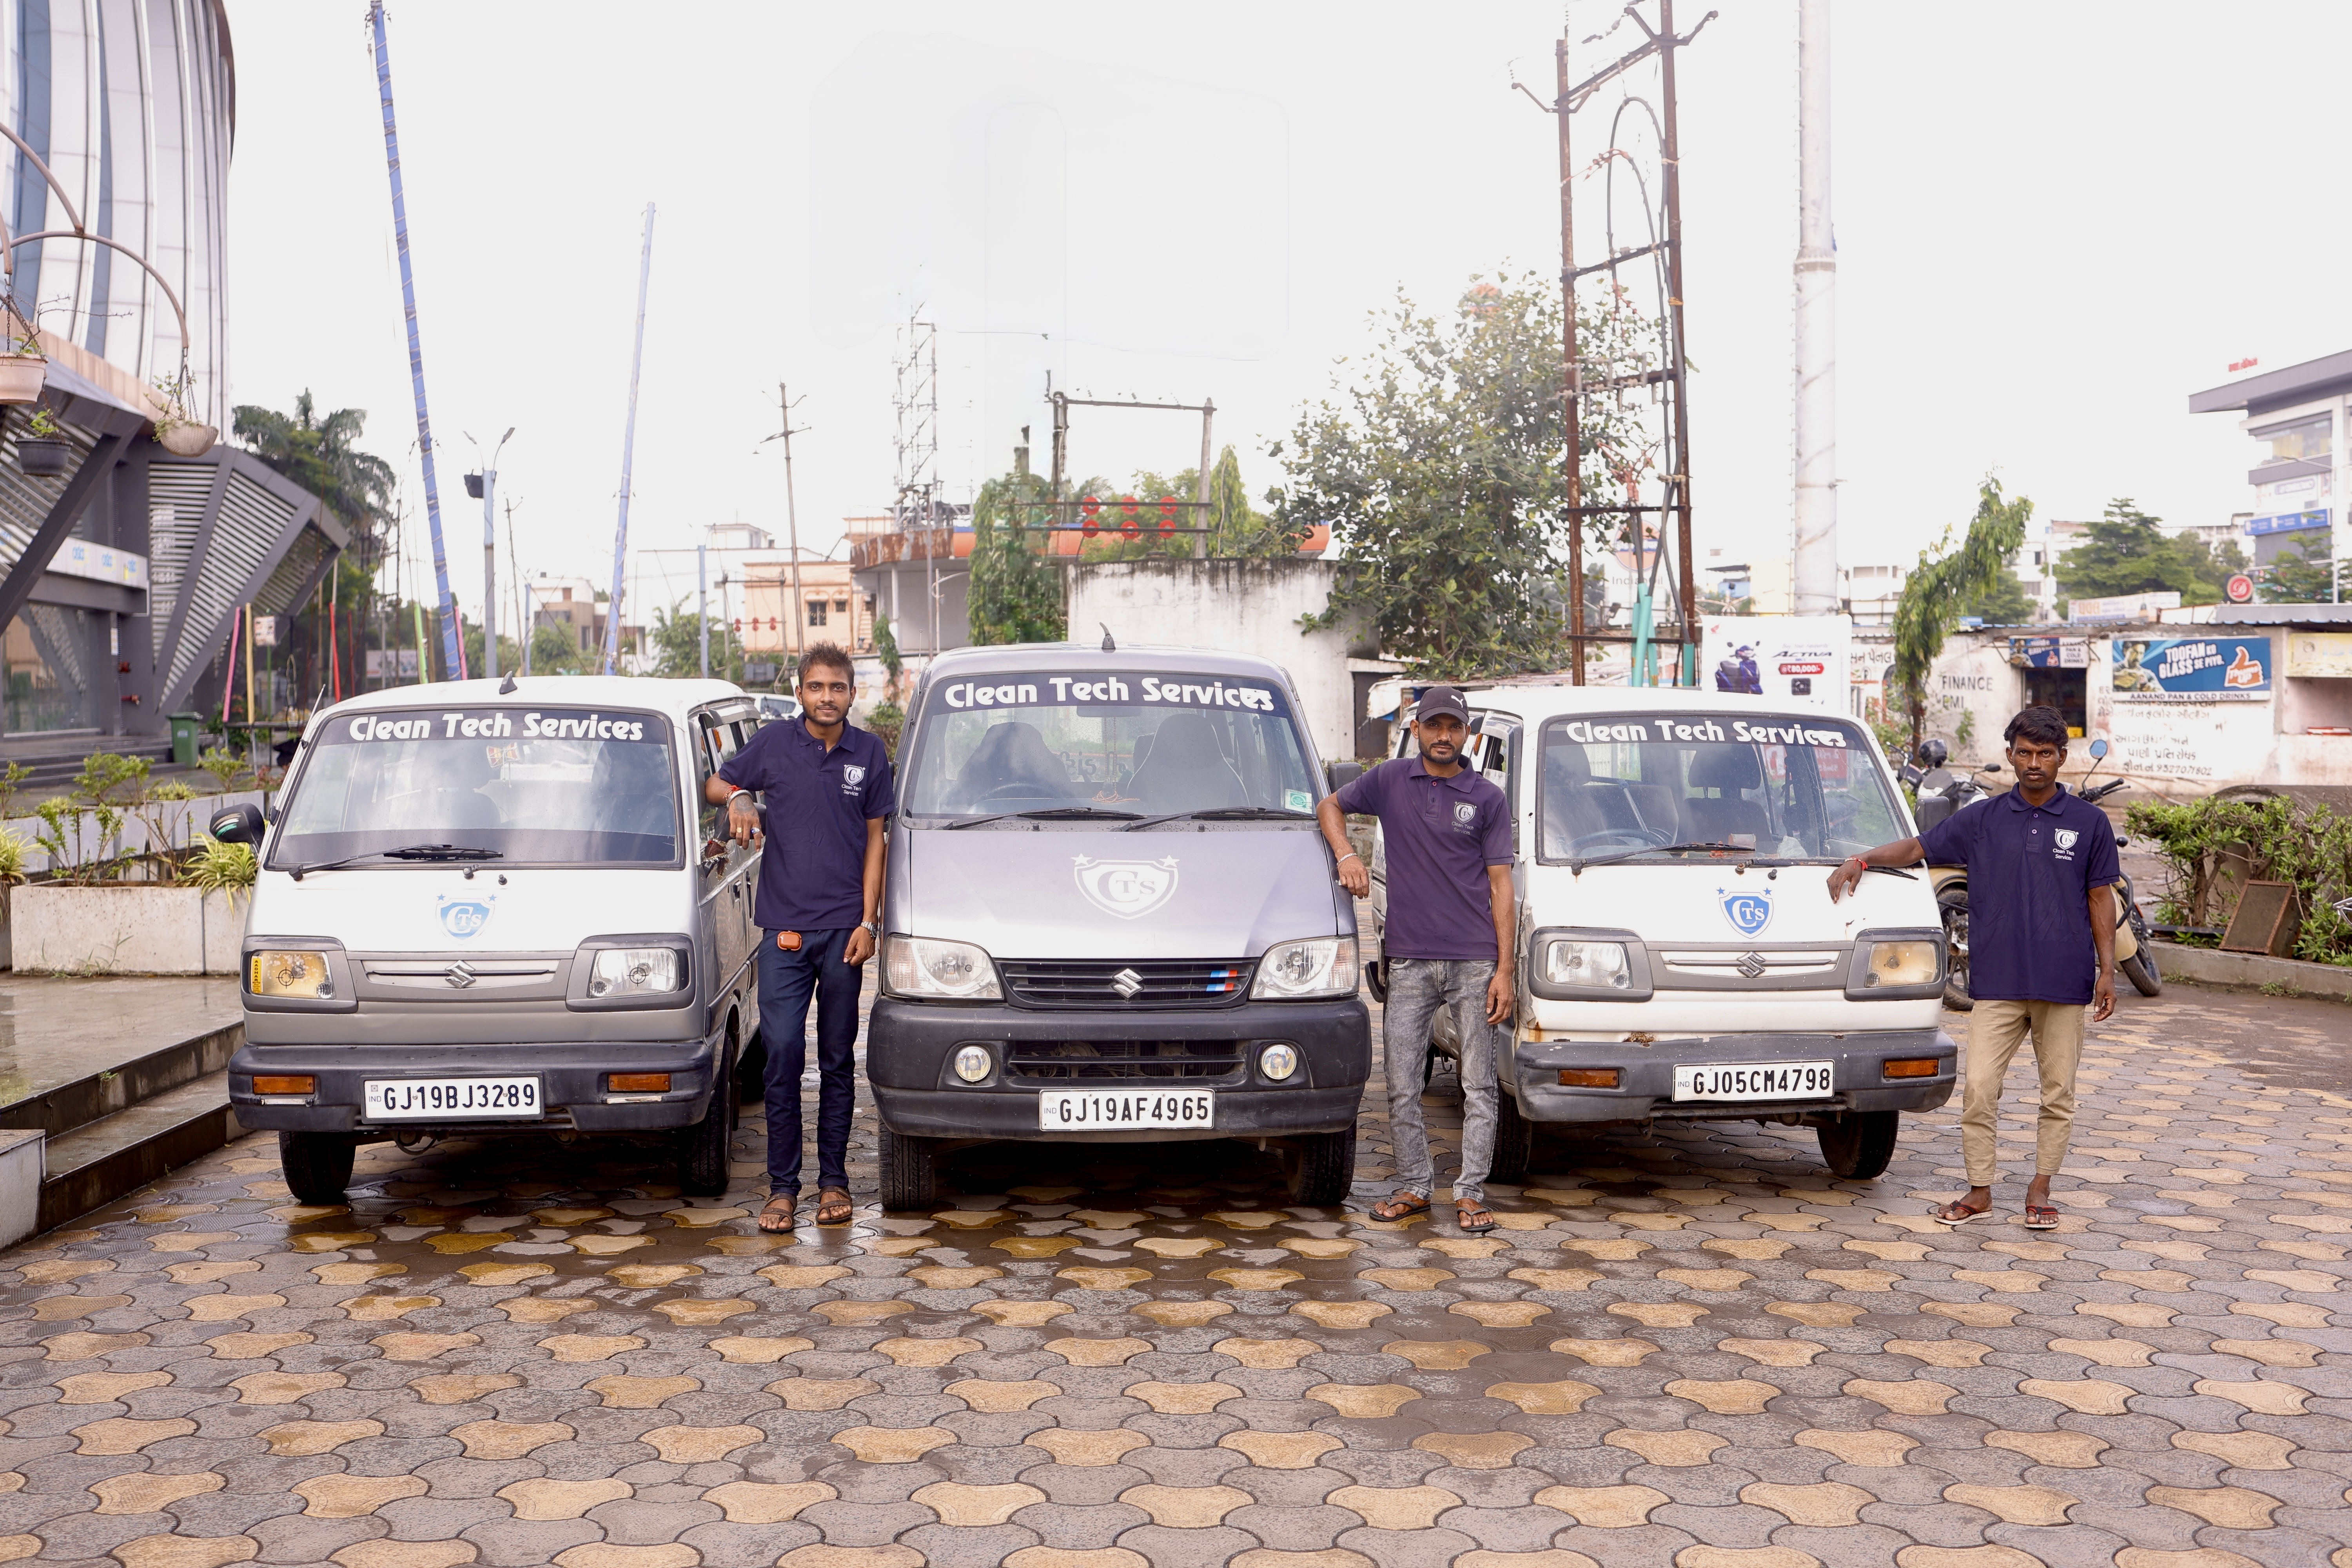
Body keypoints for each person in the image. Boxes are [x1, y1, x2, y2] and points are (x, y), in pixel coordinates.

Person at [1827, 705, 2116, 1229]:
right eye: (2024, 753)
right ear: (2010, 756)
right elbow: (1919, 846)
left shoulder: (2089, 823)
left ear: (2061, 759)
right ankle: (1980, 1190)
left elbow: (2100, 898)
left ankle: (2041, 1187)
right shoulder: (1982, 819)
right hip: (1999, 984)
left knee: (2059, 1095)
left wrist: (2108, 971)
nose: (2034, 763)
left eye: (2045, 754)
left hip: (2064, 981)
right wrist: (1863, 860)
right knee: (1980, 1089)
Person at [707, 642, 894, 1231]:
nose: (827, 698)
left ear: (851, 694)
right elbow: (718, 782)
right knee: (784, 1055)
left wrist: (869, 923)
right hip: (784, 931)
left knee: (839, 1061)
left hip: (845, 933)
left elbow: (876, 843)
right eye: (817, 687)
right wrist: (739, 796)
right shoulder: (773, 745)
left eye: (837, 688)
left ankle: (833, 1182)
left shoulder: (870, 753)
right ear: (801, 694)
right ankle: (782, 1189)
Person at [1318, 686, 1514, 1232]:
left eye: (1454, 727)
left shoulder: (1488, 798)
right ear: (1419, 730)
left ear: (1468, 733)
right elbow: (1329, 805)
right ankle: (1413, 1185)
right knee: (1402, 1081)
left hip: (1475, 961)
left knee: (1479, 1085)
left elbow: (1502, 887)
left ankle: (1471, 1192)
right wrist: (1346, 854)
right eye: (1434, 726)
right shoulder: (1389, 781)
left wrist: (1505, 970)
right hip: (1407, 960)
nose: (1444, 736)